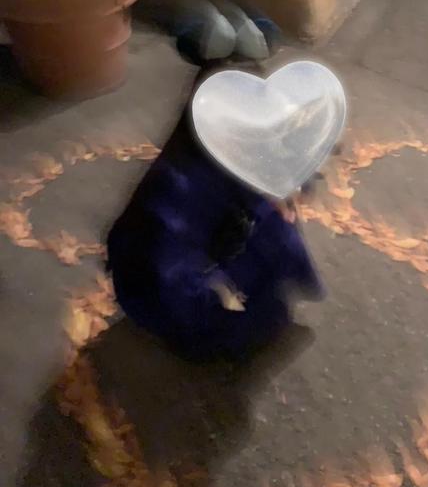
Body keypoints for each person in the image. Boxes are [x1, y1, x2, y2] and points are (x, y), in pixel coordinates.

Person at [107, 56, 324, 361]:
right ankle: (204, 342)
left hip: (193, 249)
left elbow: (270, 182)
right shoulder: (175, 190)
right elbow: (163, 273)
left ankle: (278, 286)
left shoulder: (227, 155)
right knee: (262, 321)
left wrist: (288, 189)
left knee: (274, 225)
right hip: (155, 290)